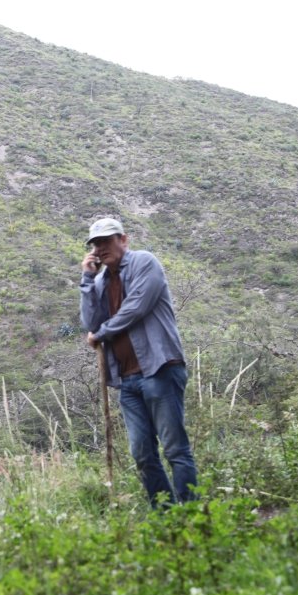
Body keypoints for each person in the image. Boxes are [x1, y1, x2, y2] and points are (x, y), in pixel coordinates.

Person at [79, 217, 197, 506]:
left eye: (106, 240)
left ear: (124, 239)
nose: (101, 248)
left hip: (159, 369)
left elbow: (135, 308)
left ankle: (192, 514)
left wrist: (102, 333)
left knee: (174, 449)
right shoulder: (100, 281)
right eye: (96, 244)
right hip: (127, 380)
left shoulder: (146, 263)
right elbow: (90, 322)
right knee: (142, 454)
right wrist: (85, 278)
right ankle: (166, 517)